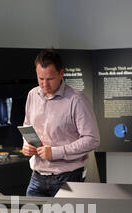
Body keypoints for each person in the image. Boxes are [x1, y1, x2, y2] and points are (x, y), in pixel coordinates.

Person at [22, 49, 100, 197]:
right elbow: (27, 126)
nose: (45, 84)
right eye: (40, 78)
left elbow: (92, 139)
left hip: (68, 178)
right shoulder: (32, 95)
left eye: (50, 79)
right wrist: (26, 145)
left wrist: (56, 152)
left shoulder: (77, 100)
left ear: (61, 73)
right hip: (37, 176)